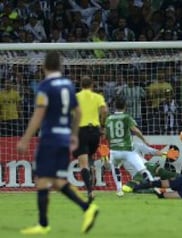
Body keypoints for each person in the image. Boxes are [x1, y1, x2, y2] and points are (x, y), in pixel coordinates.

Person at [16, 51, 99, 235]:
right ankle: (87, 208)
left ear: (44, 67)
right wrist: (74, 134)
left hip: (50, 138)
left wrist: (25, 139)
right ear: (60, 67)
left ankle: (43, 224)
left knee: (43, 180)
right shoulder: (68, 85)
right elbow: (77, 113)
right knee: (57, 181)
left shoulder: (45, 86)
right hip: (64, 137)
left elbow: (38, 115)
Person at [105, 96, 155, 197]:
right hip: (127, 150)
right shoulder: (126, 117)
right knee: (142, 169)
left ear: (114, 106)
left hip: (114, 150)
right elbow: (135, 130)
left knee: (115, 168)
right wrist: (144, 139)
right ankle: (155, 186)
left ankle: (119, 190)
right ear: (125, 106)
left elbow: (107, 135)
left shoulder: (109, 119)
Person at [73, 75, 108, 202]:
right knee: (90, 156)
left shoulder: (76, 97)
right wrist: (102, 124)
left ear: (81, 85)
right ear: (92, 85)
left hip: (81, 131)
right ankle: (92, 167)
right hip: (95, 132)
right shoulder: (98, 97)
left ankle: (90, 191)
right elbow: (104, 110)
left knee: (83, 163)